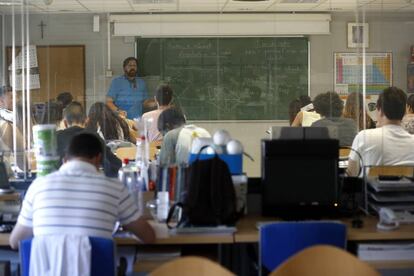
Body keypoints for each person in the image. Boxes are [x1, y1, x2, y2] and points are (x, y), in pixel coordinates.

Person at [9, 132, 155, 250]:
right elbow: (148, 237)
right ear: (98, 159)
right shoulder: (114, 188)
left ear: (65, 160)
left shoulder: (38, 186)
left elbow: (15, 242)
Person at [347, 87, 414, 176]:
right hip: (406, 190)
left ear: (380, 111)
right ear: (404, 111)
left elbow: (352, 173)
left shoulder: (363, 137)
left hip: (369, 189)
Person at [57, 102, 121, 177]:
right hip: (91, 183)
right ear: (87, 120)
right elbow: (115, 165)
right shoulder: (94, 137)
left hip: (60, 184)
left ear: (64, 123)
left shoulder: (55, 137)